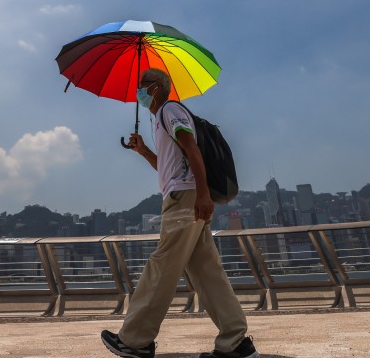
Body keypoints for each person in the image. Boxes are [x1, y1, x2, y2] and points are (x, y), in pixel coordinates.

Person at [101, 68, 258, 358]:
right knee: (206, 271)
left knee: (162, 266)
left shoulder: (170, 110)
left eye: (143, 85)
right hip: (187, 195)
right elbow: (168, 167)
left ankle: (135, 340)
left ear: (158, 87)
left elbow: (191, 147)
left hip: (185, 199)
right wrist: (144, 151)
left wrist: (201, 193)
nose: (140, 91)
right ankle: (235, 342)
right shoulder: (161, 118)